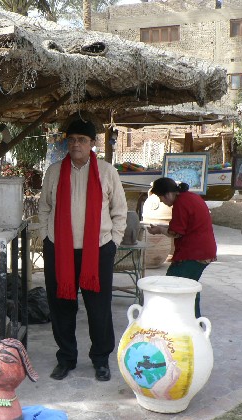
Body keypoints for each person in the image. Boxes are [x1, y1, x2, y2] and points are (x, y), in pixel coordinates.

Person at [38, 118, 127, 382]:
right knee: (61, 308)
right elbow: (44, 208)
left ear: (92, 143)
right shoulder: (54, 171)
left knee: (99, 309)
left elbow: (120, 210)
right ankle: (66, 358)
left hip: (97, 251)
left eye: (82, 140)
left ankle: (101, 359)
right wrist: (46, 237)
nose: (76, 144)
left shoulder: (107, 172)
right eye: (72, 139)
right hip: (60, 251)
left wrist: (113, 242)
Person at [147, 177, 217, 318]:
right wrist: (162, 227)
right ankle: (194, 321)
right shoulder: (190, 197)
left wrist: (159, 230)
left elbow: (176, 232)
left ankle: (179, 322)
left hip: (193, 253)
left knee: (172, 287)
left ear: (168, 194)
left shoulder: (180, 203)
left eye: (161, 198)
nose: (162, 202)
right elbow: (184, 226)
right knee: (189, 288)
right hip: (204, 250)